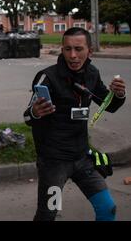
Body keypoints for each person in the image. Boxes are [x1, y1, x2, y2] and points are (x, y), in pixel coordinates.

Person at [23, 27, 126, 221]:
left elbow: (109, 105)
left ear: (90, 51)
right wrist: (35, 113)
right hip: (54, 162)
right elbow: (28, 118)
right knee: (48, 214)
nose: (73, 56)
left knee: (108, 208)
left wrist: (119, 94)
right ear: (61, 50)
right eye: (67, 49)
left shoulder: (92, 73)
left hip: (82, 158)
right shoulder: (47, 77)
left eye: (78, 49)